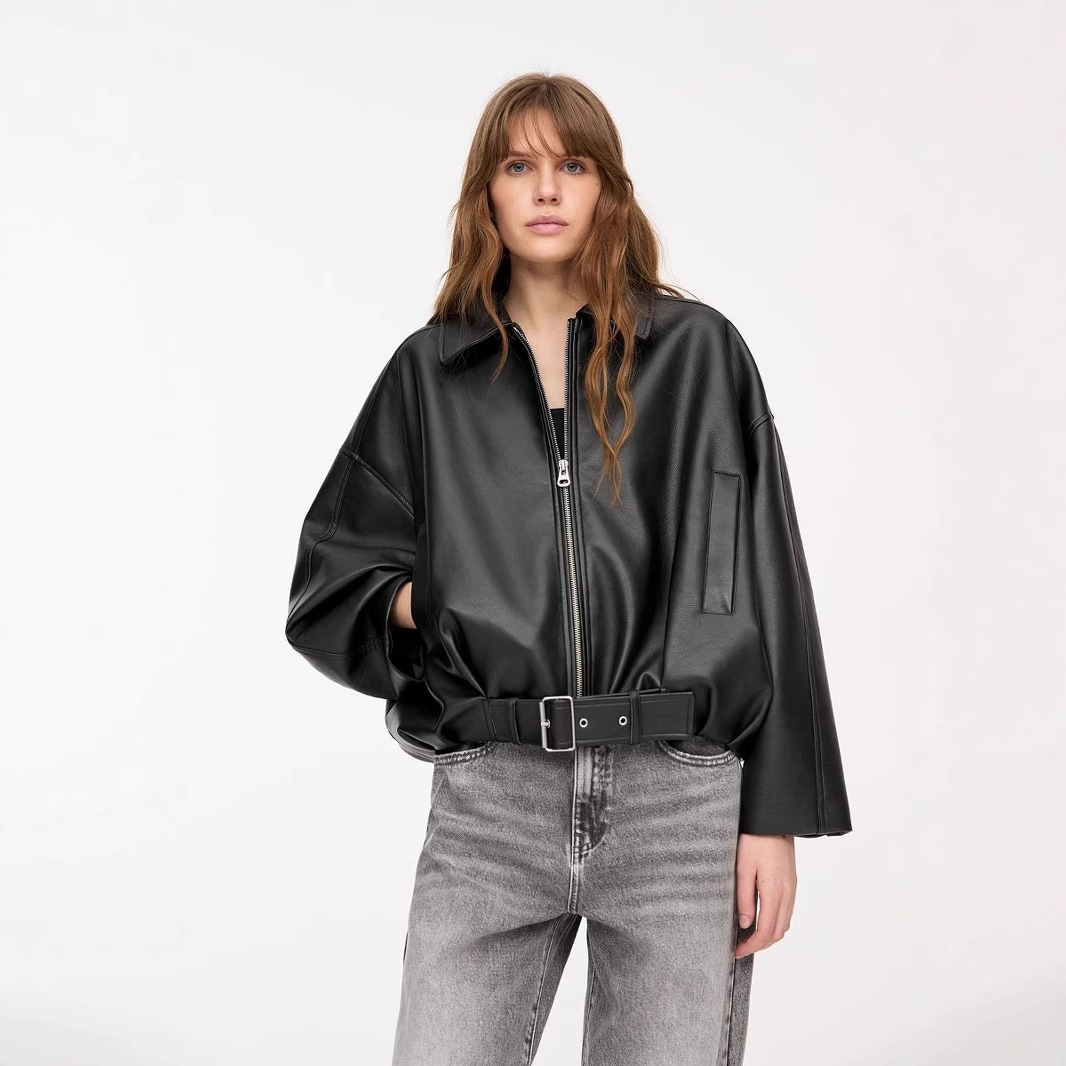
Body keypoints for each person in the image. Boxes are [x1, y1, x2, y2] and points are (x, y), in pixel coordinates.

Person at [284, 72, 852, 1066]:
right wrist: (439, 599)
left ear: (606, 190)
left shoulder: (698, 355)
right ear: (487, 196)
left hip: (679, 801)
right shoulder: (432, 371)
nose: (546, 189)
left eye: (572, 165)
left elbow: (769, 582)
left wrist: (773, 818)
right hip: (494, 802)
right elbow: (330, 580)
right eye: (518, 166)